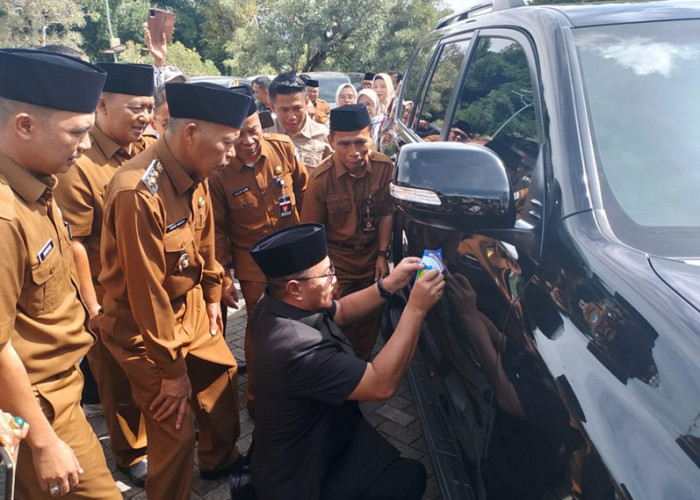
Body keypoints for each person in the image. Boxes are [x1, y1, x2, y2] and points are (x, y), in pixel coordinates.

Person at [99, 83, 252, 500]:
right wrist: (172, 373)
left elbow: (205, 242)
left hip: (190, 309)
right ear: (191, 134)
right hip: (142, 330)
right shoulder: (138, 193)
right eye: (227, 143)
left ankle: (219, 460)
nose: (233, 154)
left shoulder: (195, 170)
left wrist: (212, 296)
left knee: (222, 376)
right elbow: (146, 294)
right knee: (177, 429)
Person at [0, 47, 121, 500]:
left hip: (57, 393)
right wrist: (45, 441)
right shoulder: (5, 215)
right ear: (24, 125)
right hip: (36, 407)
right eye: (76, 132)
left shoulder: (35, 182)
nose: (86, 145)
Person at [247, 223, 445, 500]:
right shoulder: (296, 346)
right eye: (327, 274)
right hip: (302, 477)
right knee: (408, 479)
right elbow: (381, 384)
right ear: (295, 289)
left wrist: (388, 285)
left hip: (315, 444)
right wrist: (415, 308)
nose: (334, 279)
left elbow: (340, 311)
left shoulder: (274, 303)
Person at [53, 62, 156, 488]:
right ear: (101, 105)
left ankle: (160, 432)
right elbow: (76, 240)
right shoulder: (79, 163)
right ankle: (130, 451)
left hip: (150, 285)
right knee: (116, 382)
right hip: (106, 293)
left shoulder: (149, 148)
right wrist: (92, 307)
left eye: (149, 108)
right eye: (134, 108)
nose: (144, 117)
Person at [209, 89, 308, 413]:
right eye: (239, 135)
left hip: (293, 258)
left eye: (253, 131)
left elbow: (306, 193)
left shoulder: (282, 148)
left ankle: (299, 385)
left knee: (302, 323)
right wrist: (223, 275)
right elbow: (219, 230)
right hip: (252, 266)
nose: (248, 141)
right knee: (260, 330)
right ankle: (257, 396)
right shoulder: (219, 171)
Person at [301, 104, 394, 360]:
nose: (354, 152)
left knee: (368, 321)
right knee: (333, 322)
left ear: (371, 137)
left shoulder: (384, 168)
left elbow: (387, 211)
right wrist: (326, 275)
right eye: (344, 144)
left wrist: (383, 254)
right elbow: (311, 235)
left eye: (360, 142)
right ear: (331, 141)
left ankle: (361, 373)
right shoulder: (320, 180)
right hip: (337, 262)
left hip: (371, 258)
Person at [265, 73, 332, 174]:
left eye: (297, 108)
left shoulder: (323, 135)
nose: (292, 117)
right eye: (284, 110)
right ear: (272, 108)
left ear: (306, 102)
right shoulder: (264, 134)